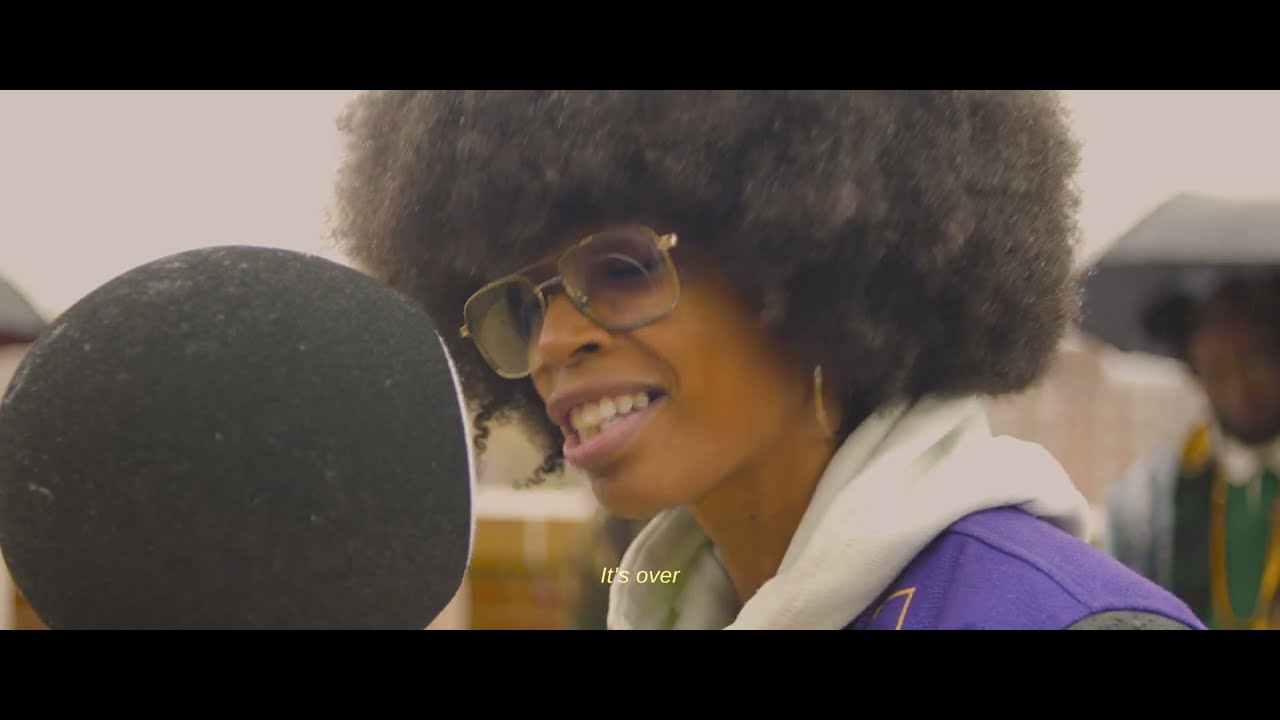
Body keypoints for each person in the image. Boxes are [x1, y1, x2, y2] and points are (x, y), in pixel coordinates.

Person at [329, 90, 1203, 630]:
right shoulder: (670, 596)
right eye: (524, 307)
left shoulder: (1058, 620)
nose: (554, 341)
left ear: (818, 267)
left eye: (624, 268)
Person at [1105, 272, 1280, 629]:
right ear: (1196, 371)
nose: (1240, 389)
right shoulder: (1147, 499)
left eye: (1256, 362)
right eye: (1217, 371)